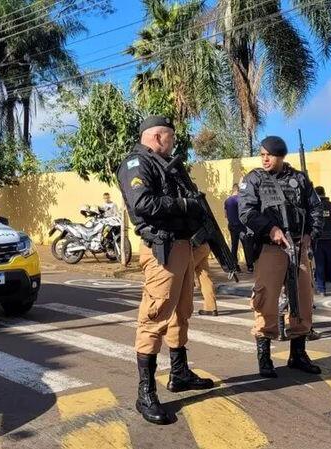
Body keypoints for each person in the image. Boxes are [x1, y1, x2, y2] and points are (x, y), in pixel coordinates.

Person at [116, 115, 215, 425]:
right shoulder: (136, 163)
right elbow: (143, 203)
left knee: (181, 312)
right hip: (163, 249)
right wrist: (184, 205)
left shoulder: (167, 164)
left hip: (183, 247)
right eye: (170, 136)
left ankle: (179, 372)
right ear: (158, 137)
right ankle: (145, 393)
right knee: (155, 316)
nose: (173, 142)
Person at [239, 136, 324, 378]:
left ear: (281, 156)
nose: (265, 159)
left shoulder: (299, 179)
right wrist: (270, 229)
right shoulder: (254, 179)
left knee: (303, 299)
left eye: (270, 155)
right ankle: (264, 357)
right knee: (265, 299)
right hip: (271, 248)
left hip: (298, 247)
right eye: (262, 154)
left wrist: (310, 234)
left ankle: (298, 354)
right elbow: (246, 212)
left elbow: (315, 208)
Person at [312, 186, 331, 296]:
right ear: (324, 193)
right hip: (330, 239)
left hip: (318, 239)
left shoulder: (313, 206)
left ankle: (321, 290)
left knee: (319, 265)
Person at [224, 183, 253, 272]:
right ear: (238, 190)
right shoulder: (240, 199)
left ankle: (235, 266)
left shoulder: (227, 201)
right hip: (241, 226)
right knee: (246, 245)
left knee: (234, 246)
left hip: (231, 226)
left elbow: (225, 215)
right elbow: (244, 212)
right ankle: (250, 266)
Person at [193, 243, 219, 316]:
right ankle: (211, 307)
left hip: (193, 247)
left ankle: (181, 309)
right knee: (205, 277)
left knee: (184, 274)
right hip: (205, 245)